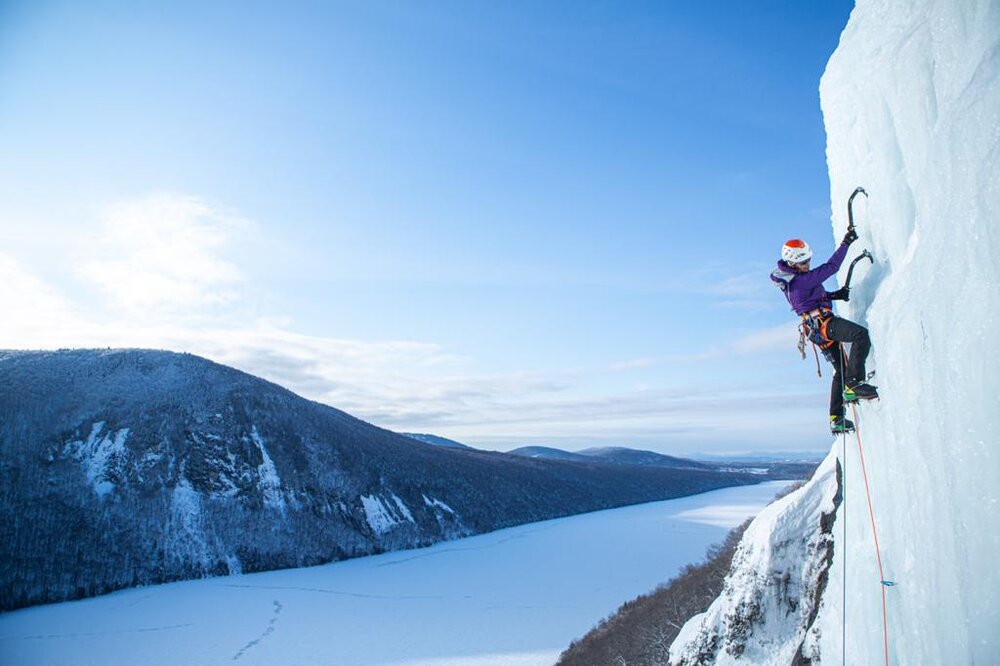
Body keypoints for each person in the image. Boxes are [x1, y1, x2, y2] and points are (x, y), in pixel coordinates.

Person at [770, 230, 878, 434]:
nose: (807, 265)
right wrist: (846, 243)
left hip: (817, 327)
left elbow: (811, 297)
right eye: (803, 263)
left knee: (841, 370)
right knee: (859, 335)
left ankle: (836, 417)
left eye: (808, 260)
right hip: (824, 325)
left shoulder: (794, 281)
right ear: (792, 264)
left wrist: (833, 295)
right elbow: (832, 267)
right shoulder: (800, 280)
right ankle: (854, 385)